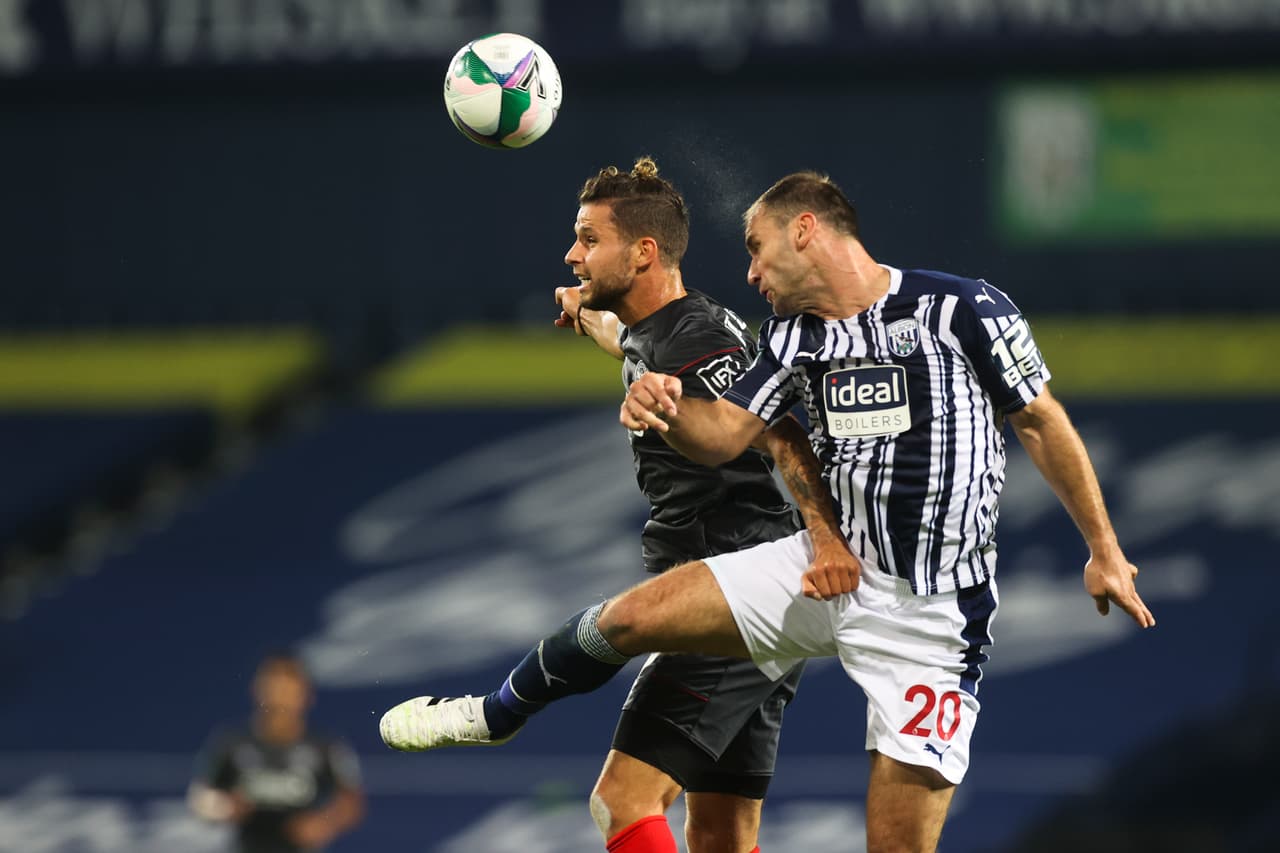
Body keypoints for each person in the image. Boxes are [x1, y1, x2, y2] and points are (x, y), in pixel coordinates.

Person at [381, 171, 1154, 853]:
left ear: (806, 231)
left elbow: (1040, 421)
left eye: (756, 249)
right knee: (628, 624)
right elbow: (723, 432)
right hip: (824, 571)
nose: (749, 271)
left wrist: (1104, 548)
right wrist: (663, 404)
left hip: (931, 618)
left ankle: (498, 710)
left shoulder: (960, 310)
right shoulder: (788, 339)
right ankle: (499, 711)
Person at [391, 157, 854, 853]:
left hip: (734, 593)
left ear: (642, 253)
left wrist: (826, 540)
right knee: (722, 834)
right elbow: (634, 347)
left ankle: (496, 712)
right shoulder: (658, 330)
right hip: (747, 604)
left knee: (621, 800)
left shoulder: (702, 339)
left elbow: (779, 433)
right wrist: (589, 316)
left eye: (587, 239)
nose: (572, 254)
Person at [189, 652, 366, 853]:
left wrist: (325, 823)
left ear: (306, 694)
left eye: (288, 687)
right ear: (257, 690)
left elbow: (351, 801)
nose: (280, 696)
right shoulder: (231, 743)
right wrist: (224, 808)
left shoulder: (326, 747)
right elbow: (200, 797)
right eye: (273, 685)